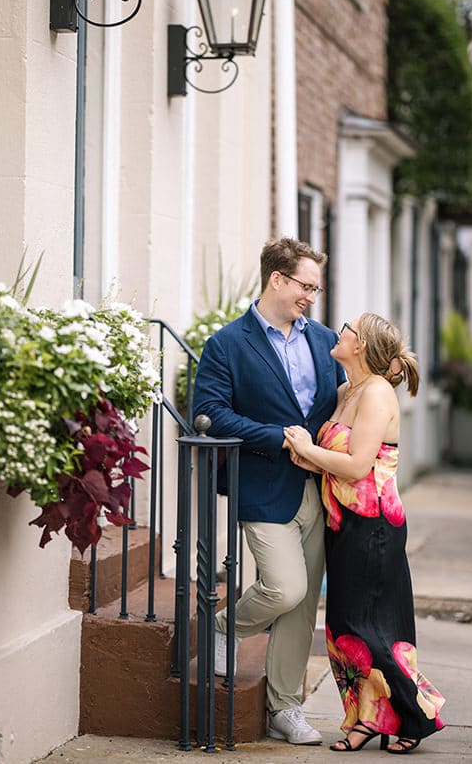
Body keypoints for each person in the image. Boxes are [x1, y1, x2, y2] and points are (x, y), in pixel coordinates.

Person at [191, 237, 345, 746]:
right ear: (277, 279)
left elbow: (336, 406)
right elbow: (212, 414)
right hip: (261, 482)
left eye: (316, 289)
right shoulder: (227, 344)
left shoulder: (324, 340)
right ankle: (222, 624)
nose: (312, 297)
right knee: (285, 588)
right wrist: (277, 437)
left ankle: (286, 709)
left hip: (318, 487)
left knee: (303, 610)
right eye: (306, 286)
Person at [286, 312, 445, 754]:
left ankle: (416, 715)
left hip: (374, 526)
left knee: (367, 627)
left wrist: (307, 448)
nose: (340, 331)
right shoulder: (346, 390)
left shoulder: (376, 395)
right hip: (344, 522)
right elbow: (339, 459)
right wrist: (311, 459)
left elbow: (358, 465)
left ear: (360, 346)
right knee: (342, 628)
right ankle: (365, 720)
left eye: (348, 328)